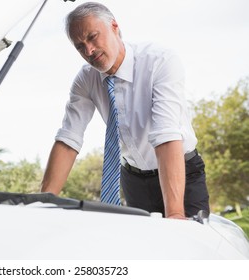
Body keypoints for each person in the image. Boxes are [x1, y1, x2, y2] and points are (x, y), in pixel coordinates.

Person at [40, 2, 210, 219]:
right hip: (134, 179)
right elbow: (69, 139)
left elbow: (166, 134)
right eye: (80, 46)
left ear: (114, 26)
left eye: (92, 37)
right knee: (140, 249)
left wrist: (175, 213)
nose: (89, 50)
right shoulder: (86, 79)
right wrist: (42, 202)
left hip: (182, 173)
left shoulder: (160, 61)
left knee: (184, 246)